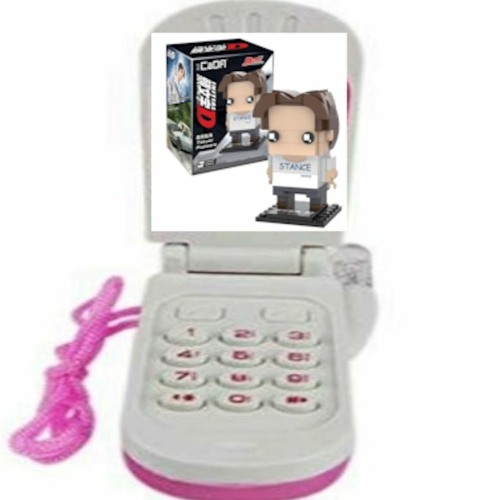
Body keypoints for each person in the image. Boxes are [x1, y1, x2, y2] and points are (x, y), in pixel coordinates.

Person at [253, 90, 339, 213]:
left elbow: (328, 164)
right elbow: (272, 164)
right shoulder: (276, 155)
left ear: (328, 135)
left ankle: (317, 207)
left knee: (316, 199)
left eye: (308, 138)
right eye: (274, 136)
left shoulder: (320, 156)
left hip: (313, 180)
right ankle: (283, 207)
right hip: (283, 180)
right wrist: (271, 173)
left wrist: (329, 176)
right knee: (283, 196)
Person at [218, 70, 267, 150]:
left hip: (251, 123)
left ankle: (254, 140)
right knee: (236, 137)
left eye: (249, 99)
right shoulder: (230, 110)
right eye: (231, 100)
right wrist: (228, 123)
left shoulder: (256, 103)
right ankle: (236, 142)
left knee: (253, 134)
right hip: (235, 125)